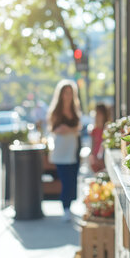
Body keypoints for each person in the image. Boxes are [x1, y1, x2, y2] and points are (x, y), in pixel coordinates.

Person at [47, 80, 82, 221]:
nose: (67, 96)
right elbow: (52, 128)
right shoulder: (55, 111)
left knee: (73, 179)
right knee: (65, 180)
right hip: (61, 150)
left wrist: (69, 129)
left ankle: (70, 205)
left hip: (73, 149)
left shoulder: (75, 109)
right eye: (65, 93)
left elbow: (78, 128)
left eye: (70, 93)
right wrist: (62, 130)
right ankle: (65, 207)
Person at [89, 103, 109, 173]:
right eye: (96, 113)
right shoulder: (94, 130)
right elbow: (92, 146)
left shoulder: (107, 129)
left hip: (105, 160)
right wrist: (93, 158)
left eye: (100, 113)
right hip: (96, 161)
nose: (98, 116)